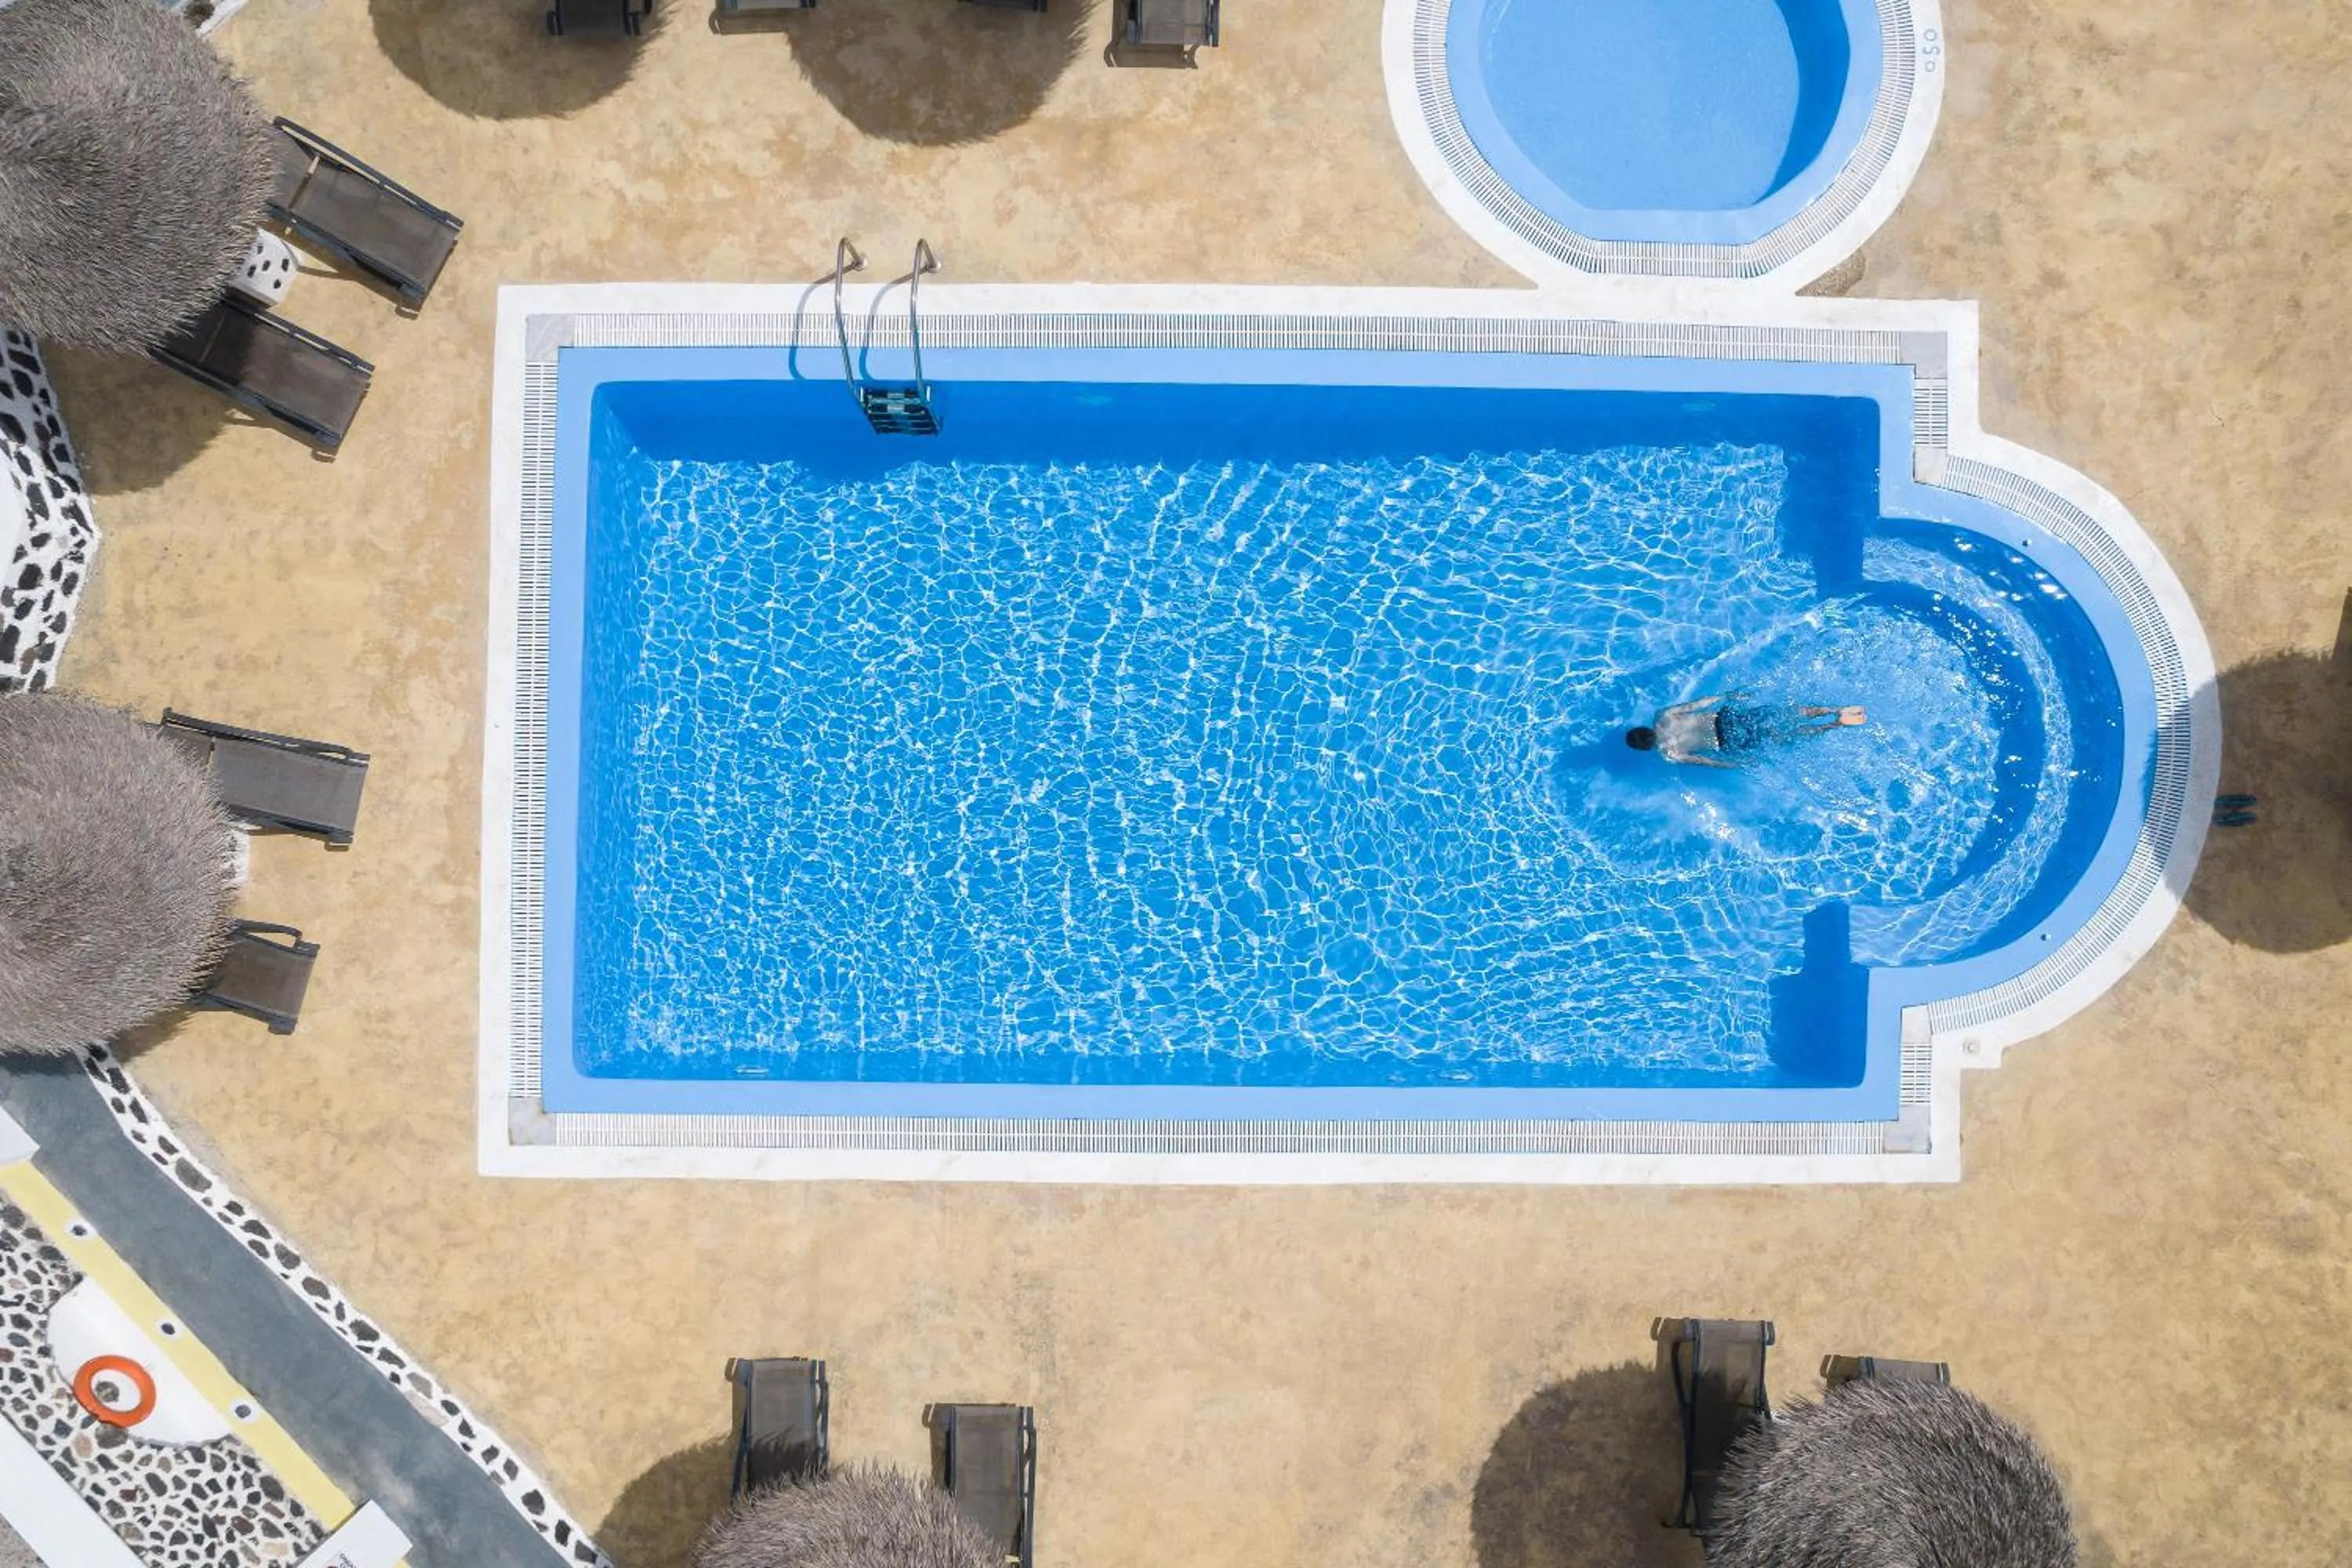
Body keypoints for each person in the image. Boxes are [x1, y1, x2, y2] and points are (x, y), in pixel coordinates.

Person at [1624, 694, 1864, 768]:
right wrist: (1728, 696)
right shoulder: (1663, 716)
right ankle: (1835, 709)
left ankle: (1833, 725)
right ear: (1645, 728)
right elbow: (1700, 704)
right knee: (1785, 713)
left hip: (1730, 742)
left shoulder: (1669, 753)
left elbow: (1703, 760)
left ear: (1645, 748)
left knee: (1782, 736)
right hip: (1726, 719)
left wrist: (1735, 764)